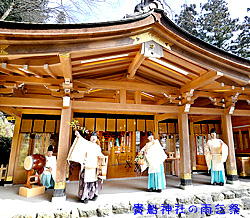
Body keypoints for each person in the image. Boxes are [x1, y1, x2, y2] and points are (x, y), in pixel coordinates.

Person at [68, 131, 104, 204]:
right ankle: (84, 197)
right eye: (92, 137)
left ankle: (93, 195)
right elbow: (81, 140)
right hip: (87, 166)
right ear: (90, 138)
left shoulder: (97, 147)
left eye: (95, 137)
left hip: (94, 167)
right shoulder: (86, 144)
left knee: (94, 182)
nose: (93, 138)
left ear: (97, 139)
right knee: (85, 182)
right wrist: (78, 135)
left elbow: (100, 156)